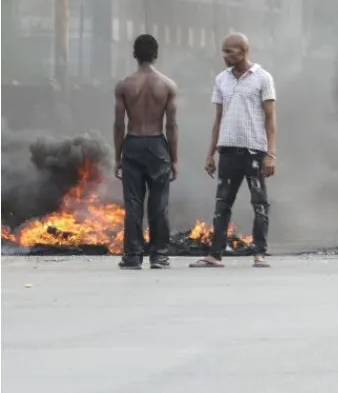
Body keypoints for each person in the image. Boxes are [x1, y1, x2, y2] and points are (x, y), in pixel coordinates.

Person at [189, 32, 277, 269]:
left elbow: (270, 119)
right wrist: (210, 153)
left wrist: (271, 154)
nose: (224, 56)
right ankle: (215, 255)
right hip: (227, 151)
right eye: (224, 51)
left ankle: (260, 253)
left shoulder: (263, 78)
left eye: (229, 51)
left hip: (254, 152)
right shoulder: (221, 80)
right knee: (222, 204)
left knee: (259, 203)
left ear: (243, 51)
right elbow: (218, 119)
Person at [113, 34, 178, 270]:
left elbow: (119, 125)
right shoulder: (167, 85)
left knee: (133, 204)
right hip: (157, 144)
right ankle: (159, 256)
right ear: (156, 55)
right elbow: (171, 126)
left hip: (133, 144)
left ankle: (132, 256)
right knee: (159, 203)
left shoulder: (124, 85)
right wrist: (174, 158)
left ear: (134, 54)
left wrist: (118, 156)